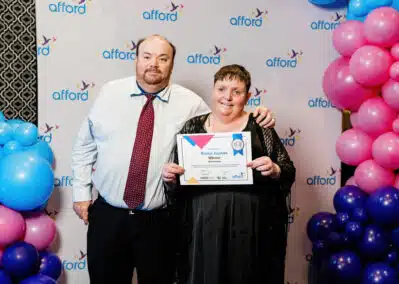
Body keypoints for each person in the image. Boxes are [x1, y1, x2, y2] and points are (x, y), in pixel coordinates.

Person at [71, 35, 276, 284]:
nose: (153, 64)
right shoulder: (109, 93)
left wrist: (254, 113)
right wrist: (81, 192)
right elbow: (85, 145)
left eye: (162, 58)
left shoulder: (191, 104)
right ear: (136, 59)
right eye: (147, 56)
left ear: (172, 64)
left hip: (158, 221)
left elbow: (224, 121)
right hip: (108, 215)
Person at [162, 64, 296, 284]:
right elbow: (176, 184)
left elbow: (288, 171)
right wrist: (170, 177)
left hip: (250, 224)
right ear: (213, 90)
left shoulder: (261, 127)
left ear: (248, 96)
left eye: (237, 91)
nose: (228, 97)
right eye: (222, 89)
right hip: (203, 223)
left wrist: (275, 169)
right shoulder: (192, 126)